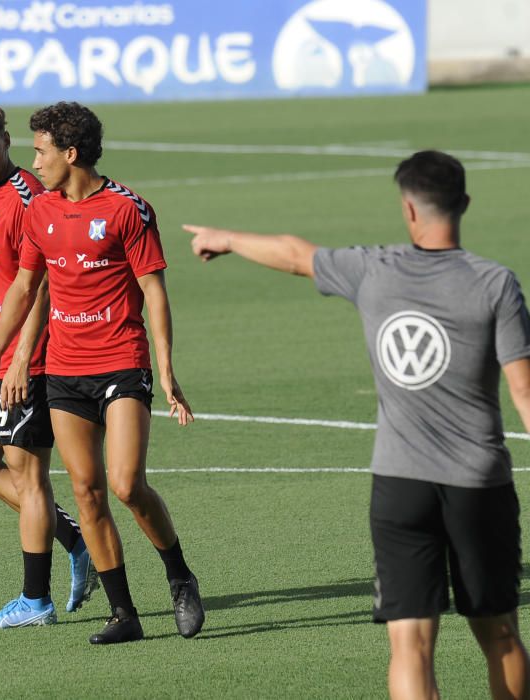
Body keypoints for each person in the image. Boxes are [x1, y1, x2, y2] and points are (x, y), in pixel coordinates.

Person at [184, 150, 530, 699]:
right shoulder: (495, 284)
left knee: (410, 647)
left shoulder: (374, 270)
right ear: (463, 204)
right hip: (479, 486)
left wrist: (225, 237)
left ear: (408, 211)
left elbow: (297, 255)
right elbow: (524, 393)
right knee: (501, 633)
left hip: (400, 486)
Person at [0, 101, 204, 645]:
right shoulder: (42, 210)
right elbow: (27, 287)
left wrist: (165, 370)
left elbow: (154, 292)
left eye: (40, 150)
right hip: (65, 369)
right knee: (87, 491)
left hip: (119, 359)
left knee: (125, 485)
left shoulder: (126, 210)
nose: (33, 160)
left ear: (70, 154)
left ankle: (179, 575)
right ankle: (124, 614)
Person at [0, 103, 98, 629]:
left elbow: (39, 288)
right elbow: (7, 290)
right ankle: (76, 539)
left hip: (32, 359)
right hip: (5, 351)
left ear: (6, 141)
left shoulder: (25, 199)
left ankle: (35, 601)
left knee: (27, 475)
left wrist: (14, 359)